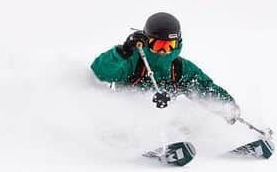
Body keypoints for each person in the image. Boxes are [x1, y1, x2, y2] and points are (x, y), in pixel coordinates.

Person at [90, 11, 241, 122]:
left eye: (169, 45)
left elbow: (203, 87)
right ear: (147, 41)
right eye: (158, 44)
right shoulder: (131, 59)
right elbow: (100, 72)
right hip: (127, 121)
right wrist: (123, 51)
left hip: (164, 125)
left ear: (177, 44)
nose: (163, 51)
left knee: (186, 121)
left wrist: (227, 107)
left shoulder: (180, 68)